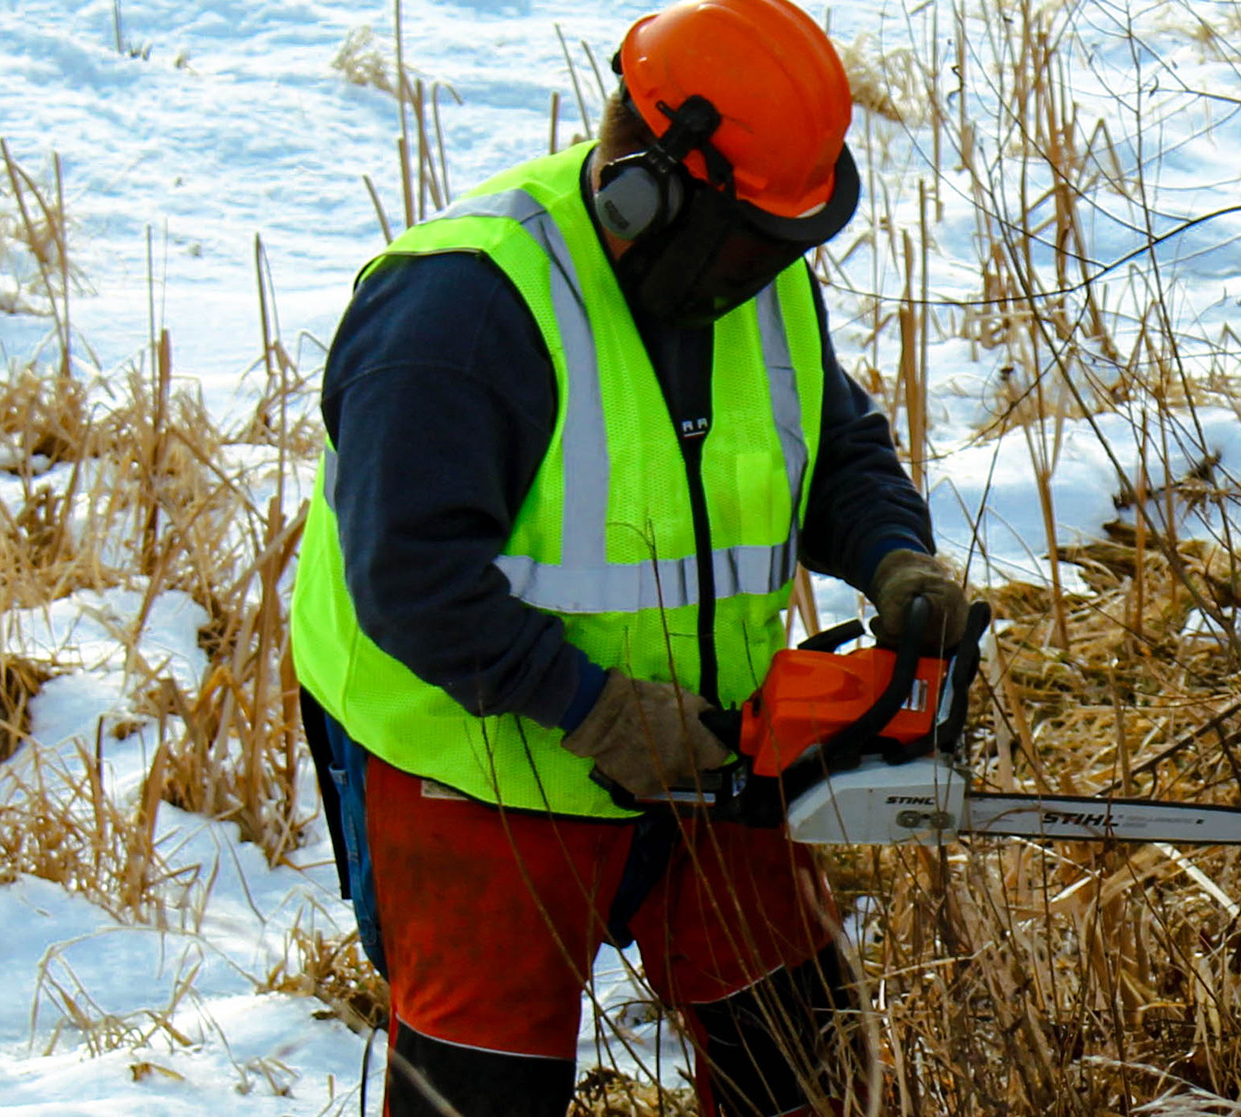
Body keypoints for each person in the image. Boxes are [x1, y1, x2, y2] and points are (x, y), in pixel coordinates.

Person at [286, 1, 971, 1112]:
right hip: (479, 761)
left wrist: (897, 561)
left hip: (712, 747)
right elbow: (409, 577)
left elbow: (833, 445)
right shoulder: (462, 310)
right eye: (750, 242)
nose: (768, 273)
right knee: (480, 1090)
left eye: (783, 243)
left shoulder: (750, 273)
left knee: (806, 1055)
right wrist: (592, 706)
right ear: (647, 190)